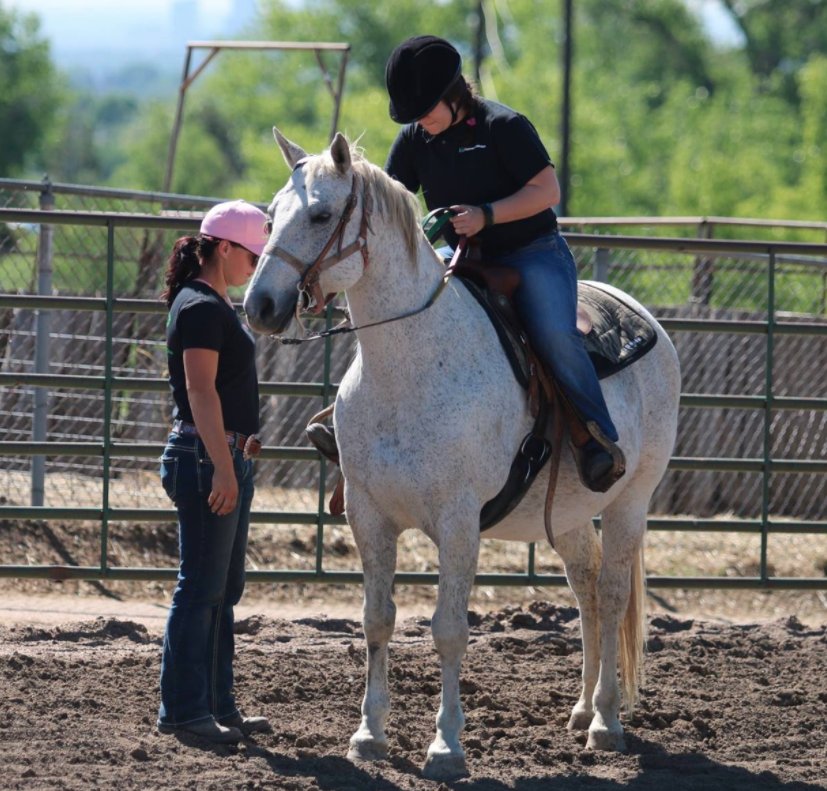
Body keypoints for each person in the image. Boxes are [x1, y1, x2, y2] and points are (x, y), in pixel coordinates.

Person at [382, 34, 625, 491]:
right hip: (458, 255)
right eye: (412, 114)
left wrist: (486, 215)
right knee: (399, 311)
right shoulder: (415, 138)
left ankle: (598, 439)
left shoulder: (503, 126)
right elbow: (393, 199)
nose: (420, 121)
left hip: (531, 252)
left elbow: (547, 193)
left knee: (554, 335)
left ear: (454, 94)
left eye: (426, 108)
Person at [156, 199, 270, 743]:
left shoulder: (213, 303)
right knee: (201, 588)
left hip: (223, 456)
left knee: (221, 590)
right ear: (223, 248)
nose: (256, 265)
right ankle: (184, 711)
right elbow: (199, 390)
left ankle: (217, 707)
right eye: (251, 254)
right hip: (208, 459)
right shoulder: (200, 306)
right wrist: (224, 467)